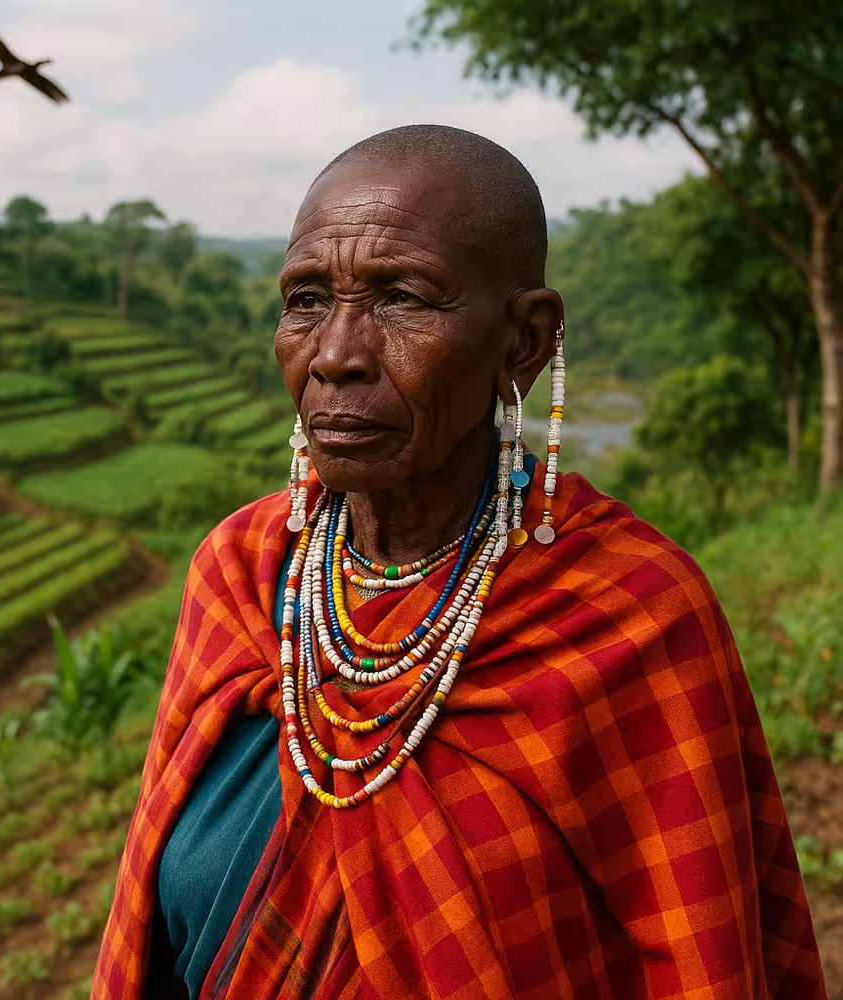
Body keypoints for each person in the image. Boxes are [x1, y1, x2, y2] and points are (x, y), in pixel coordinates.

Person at [92, 125, 827, 999]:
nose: (336, 355)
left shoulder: (631, 614)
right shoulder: (243, 575)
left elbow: (699, 958)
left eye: (402, 297)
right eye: (306, 300)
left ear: (526, 341)